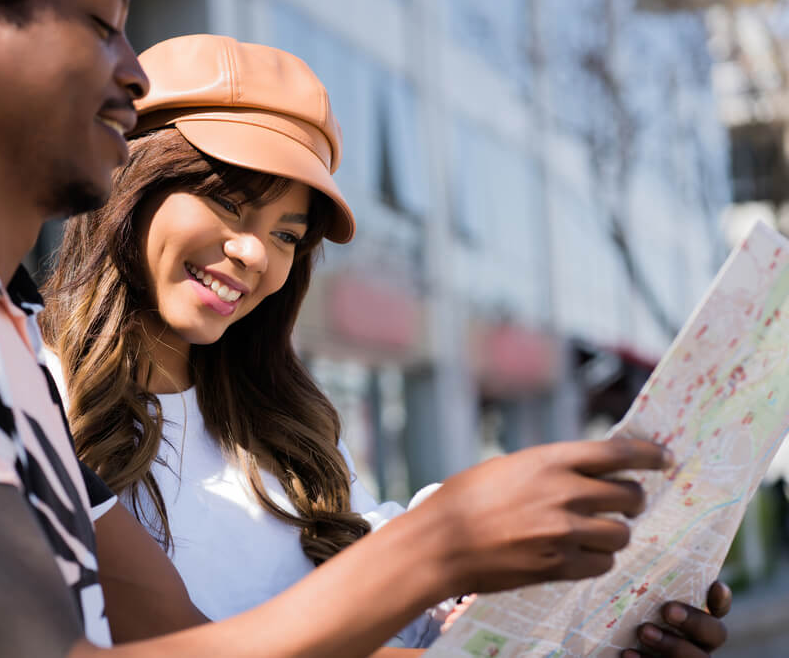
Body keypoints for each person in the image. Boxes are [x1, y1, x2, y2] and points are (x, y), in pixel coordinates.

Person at [41, 34, 731, 657]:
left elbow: (418, 629)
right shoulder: (28, 398)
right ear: (129, 179)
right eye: (228, 201)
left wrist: (594, 621)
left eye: (287, 234)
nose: (254, 253)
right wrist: (439, 548)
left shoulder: (286, 429)